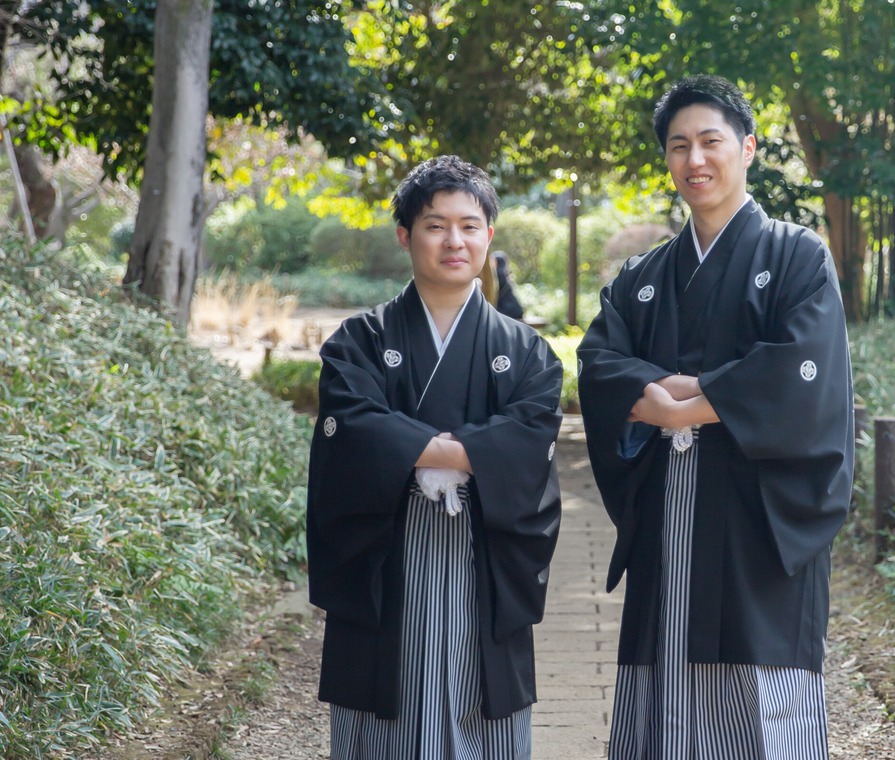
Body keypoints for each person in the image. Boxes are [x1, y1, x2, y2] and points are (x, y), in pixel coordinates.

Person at [577, 75, 854, 759]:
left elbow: (797, 372)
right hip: (669, 522)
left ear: (749, 147)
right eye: (679, 147)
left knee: (760, 712)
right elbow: (599, 363)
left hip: (757, 525)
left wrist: (680, 406)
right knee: (661, 696)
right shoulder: (643, 276)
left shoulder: (797, 256)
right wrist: (688, 402)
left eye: (710, 142)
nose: (694, 161)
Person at [306, 155, 563, 760]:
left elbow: (530, 436)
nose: (455, 241)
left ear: (489, 236)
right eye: (435, 225)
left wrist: (423, 447)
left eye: (470, 226)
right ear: (405, 235)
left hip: (484, 559)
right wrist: (471, 449)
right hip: (390, 562)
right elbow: (354, 426)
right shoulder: (359, 340)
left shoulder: (527, 352)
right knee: (385, 726)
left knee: (481, 713)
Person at [491, 250, 525, 320]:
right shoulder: (505, 274)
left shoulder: (497, 275)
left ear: (496, 262)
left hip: (506, 311)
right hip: (514, 310)